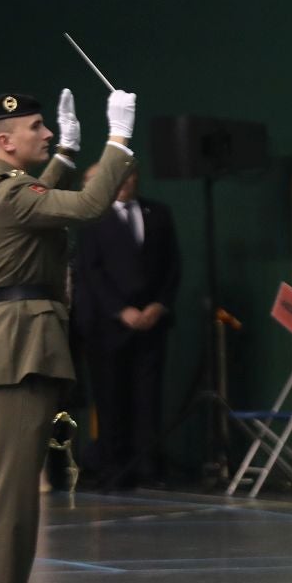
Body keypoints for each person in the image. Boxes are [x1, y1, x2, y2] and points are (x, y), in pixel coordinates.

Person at [0, 86, 136, 583]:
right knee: (11, 498)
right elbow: (84, 208)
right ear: (6, 142)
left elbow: (37, 197)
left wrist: (63, 159)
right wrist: (118, 139)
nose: (48, 134)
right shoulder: (10, 195)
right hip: (18, 349)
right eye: (39, 129)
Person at [70, 168, 180, 490]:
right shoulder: (92, 219)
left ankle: (147, 466)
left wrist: (159, 305)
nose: (125, 182)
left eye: (130, 175)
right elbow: (91, 271)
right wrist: (121, 310)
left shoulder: (159, 213)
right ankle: (113, 467)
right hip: (107, 327)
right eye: (117, 177)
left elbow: (172, 265)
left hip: (152, 322)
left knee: (148, 398)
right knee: (111, 398)